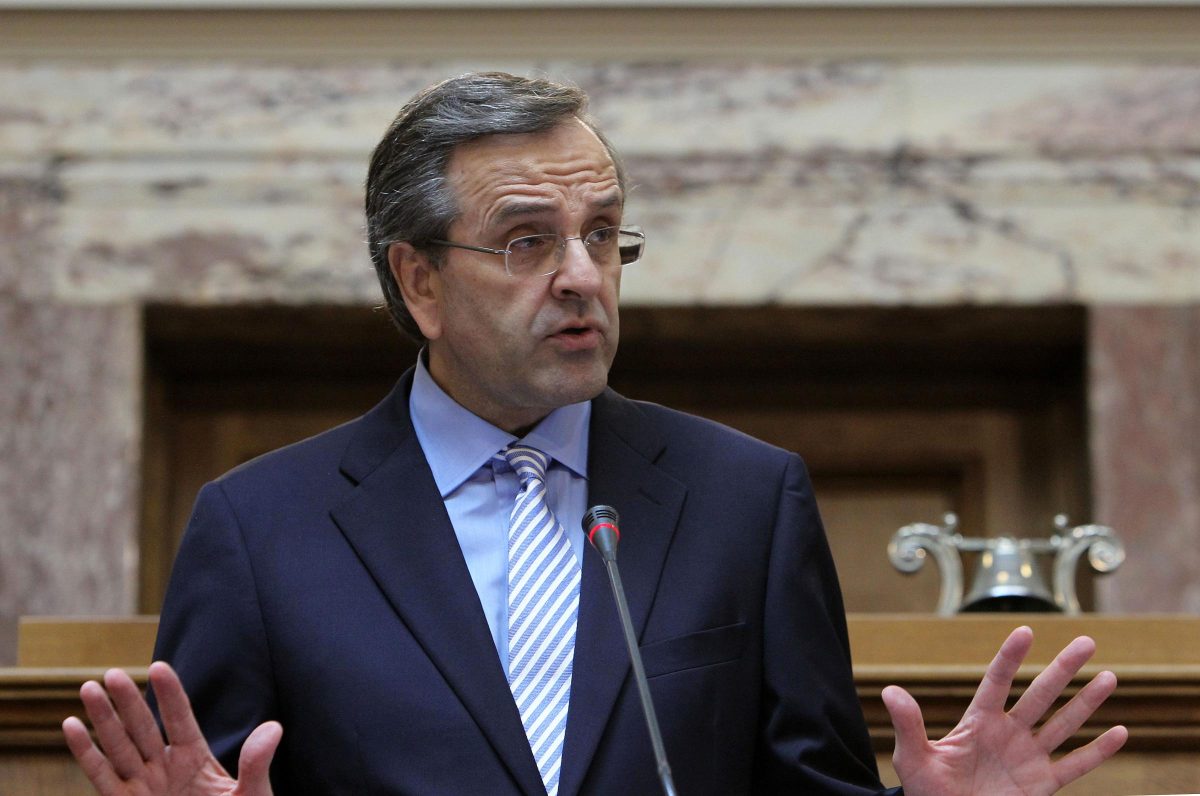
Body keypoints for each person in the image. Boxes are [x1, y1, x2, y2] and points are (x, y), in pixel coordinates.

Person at [62, 72, 1127, 795]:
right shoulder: (260, 530)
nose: (582, 276)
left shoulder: (747, 502)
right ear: (419, 280)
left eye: (603, 234)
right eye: (528, 240)